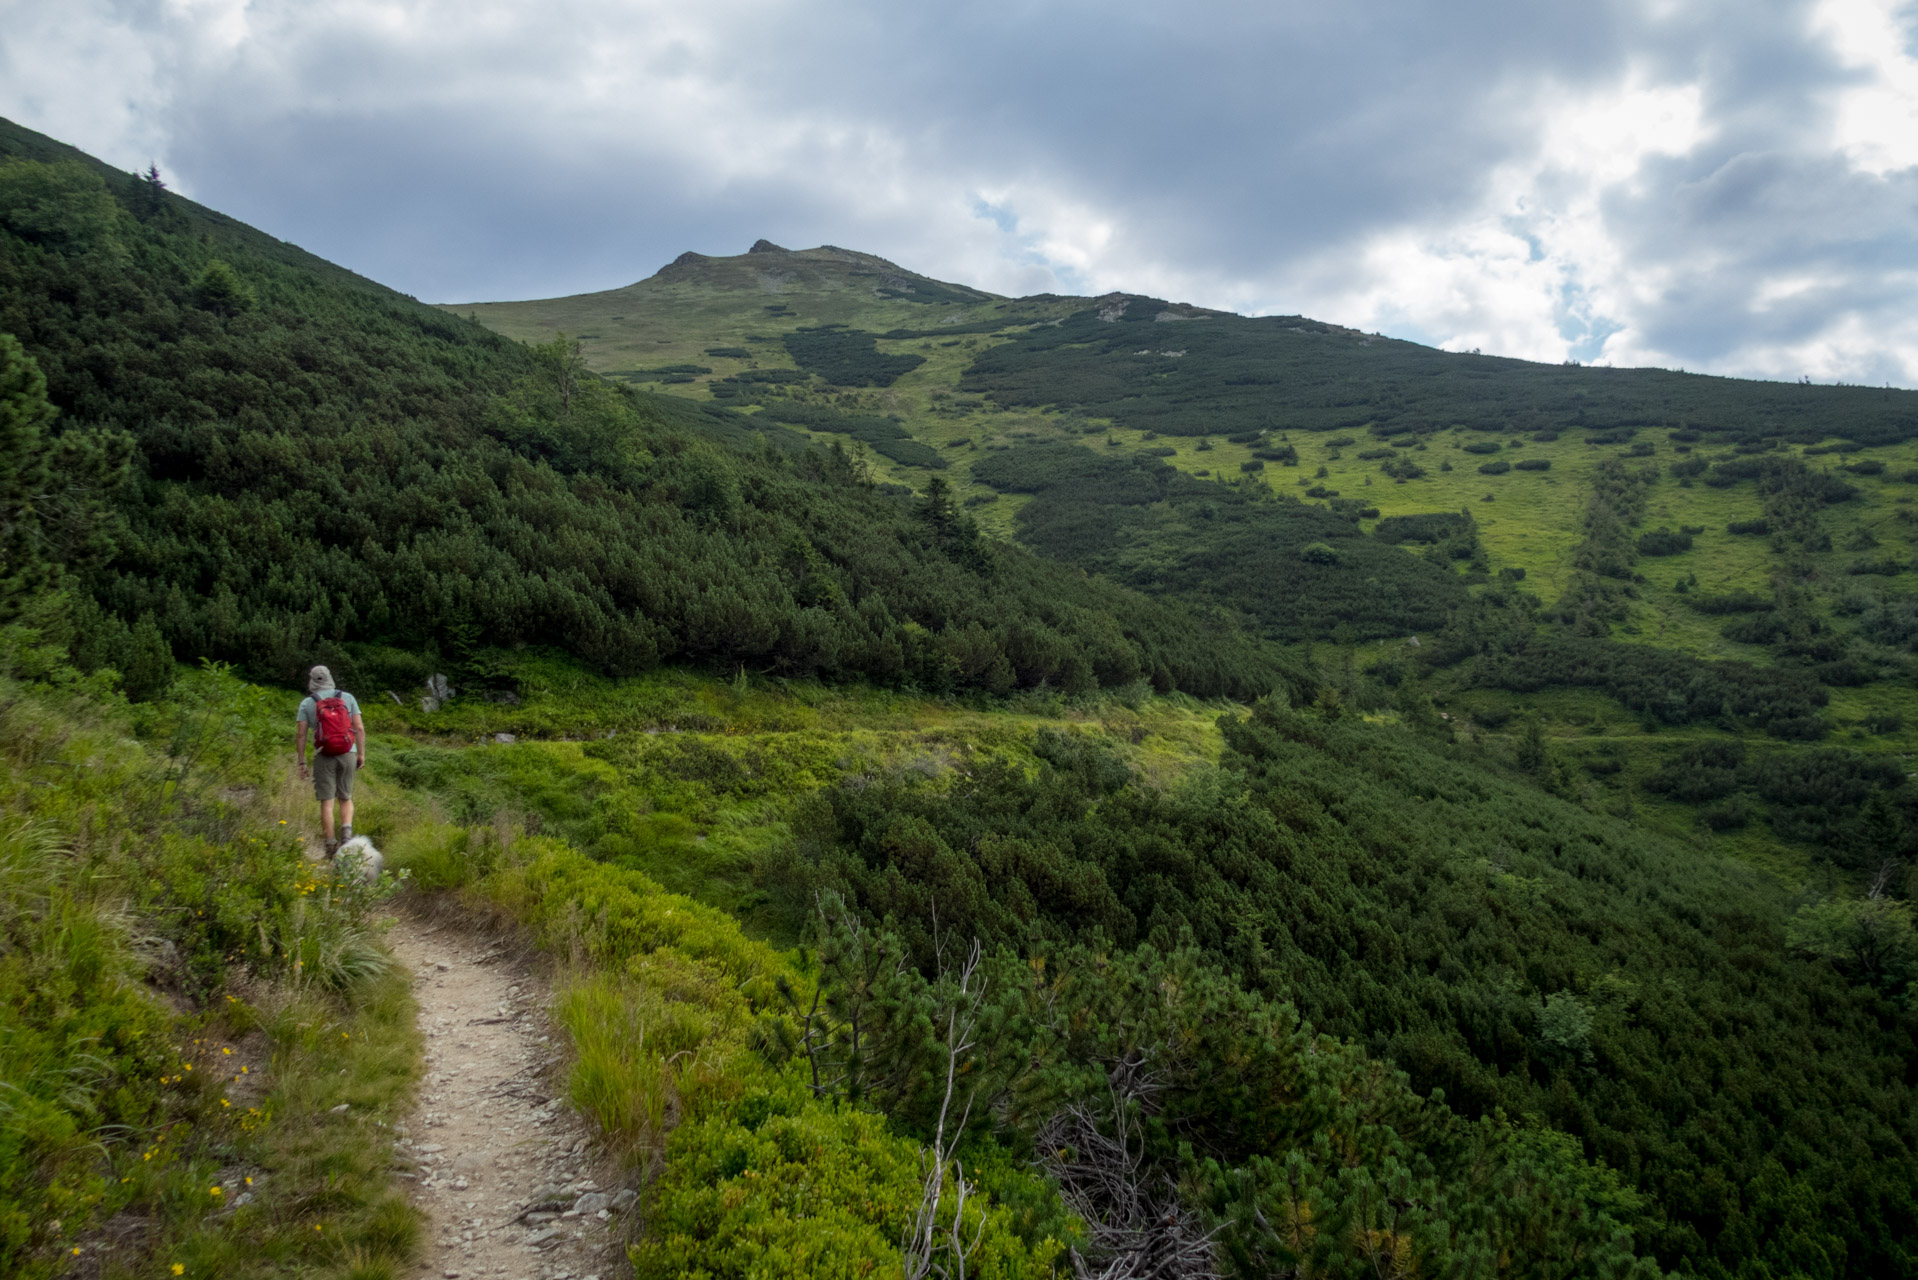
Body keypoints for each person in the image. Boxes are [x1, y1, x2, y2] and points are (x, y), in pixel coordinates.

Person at [294, 664, 365, 857]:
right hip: (348, 752)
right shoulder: (347, 698)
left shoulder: (307, 703)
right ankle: (347, 840)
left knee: (327, 802)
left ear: (312, 680)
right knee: (346, 797)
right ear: (329, 677)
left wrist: (301, 762)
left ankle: (330, 846)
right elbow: (358, 728)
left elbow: (301, 735)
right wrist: (360, 754)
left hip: (323, 754)